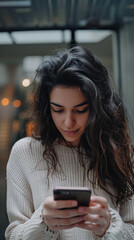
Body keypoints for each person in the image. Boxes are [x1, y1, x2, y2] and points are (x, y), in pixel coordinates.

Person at [5, 45, 134, 240]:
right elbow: (13, 235)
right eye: (58, 109)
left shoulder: (122, 153)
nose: (68, 122)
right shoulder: (24, 153)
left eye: (80, 109)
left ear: (97, 107)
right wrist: (43, 221)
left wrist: (110, 226)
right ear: (47, 108)